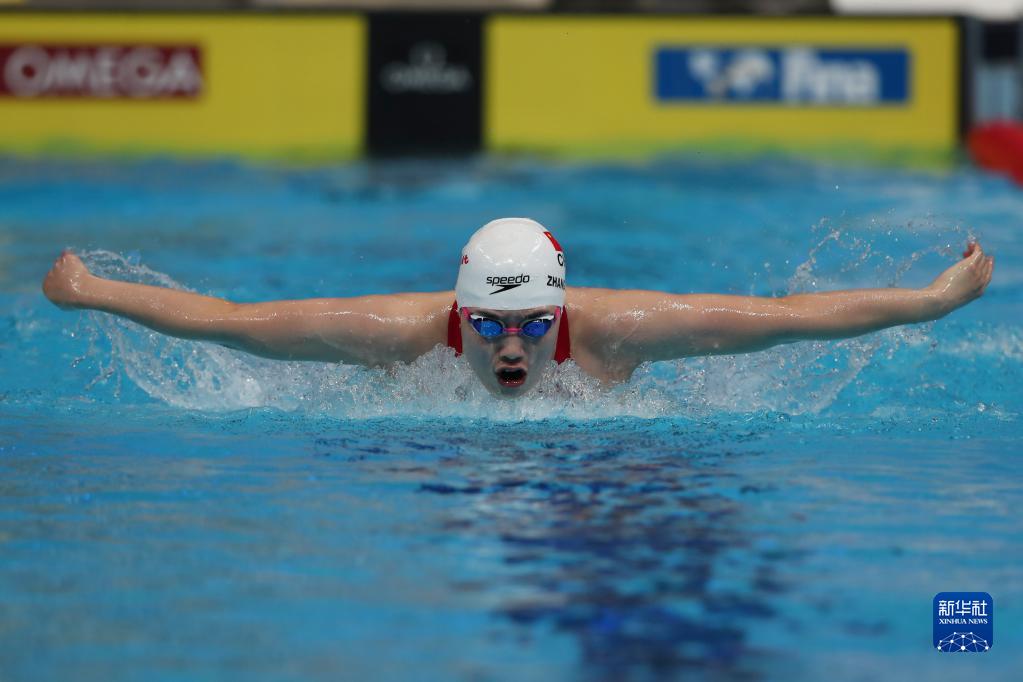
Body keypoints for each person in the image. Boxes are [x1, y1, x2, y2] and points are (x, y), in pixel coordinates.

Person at [42, 217, 994, 398]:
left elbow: (785, 318)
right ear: (457, 318)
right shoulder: (399, 337)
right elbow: (227, 320)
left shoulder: (618, 330)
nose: (510, 346)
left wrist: (925, 302)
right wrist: (88, 293)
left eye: (532, 324)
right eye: (489, 326)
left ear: (562, 313)